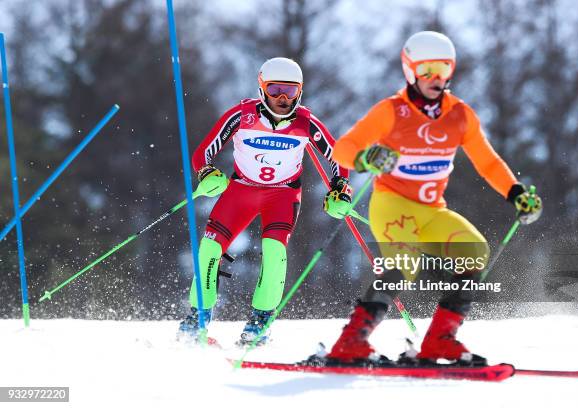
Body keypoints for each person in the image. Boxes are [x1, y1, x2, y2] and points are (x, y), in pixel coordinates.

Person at [326, 31, 542, 364]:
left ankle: (440, 341)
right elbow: (343, 148)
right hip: (392, 203)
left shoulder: (460, 115)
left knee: (475, 251)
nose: (435, 78)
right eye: (426, 69)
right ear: (410, 70)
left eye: (442, 68)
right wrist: (366, 159)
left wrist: (515, 194)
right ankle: (350, 343)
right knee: (403, 267)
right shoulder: (392, 111)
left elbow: (487, 161)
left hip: (431, 210)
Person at [178, 57, 351, 345]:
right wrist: (206, 172)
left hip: (282, 195)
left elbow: (338, 157)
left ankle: (260, 323)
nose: (283, 98)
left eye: (291, 91)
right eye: (275, 90)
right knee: (209, 249)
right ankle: (198, 317)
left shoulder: (306, 122)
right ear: (262, 89)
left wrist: (340, 188)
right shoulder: (241, 115)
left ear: (300, 91)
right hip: (241, 191)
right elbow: (202, 153)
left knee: (274, 251)